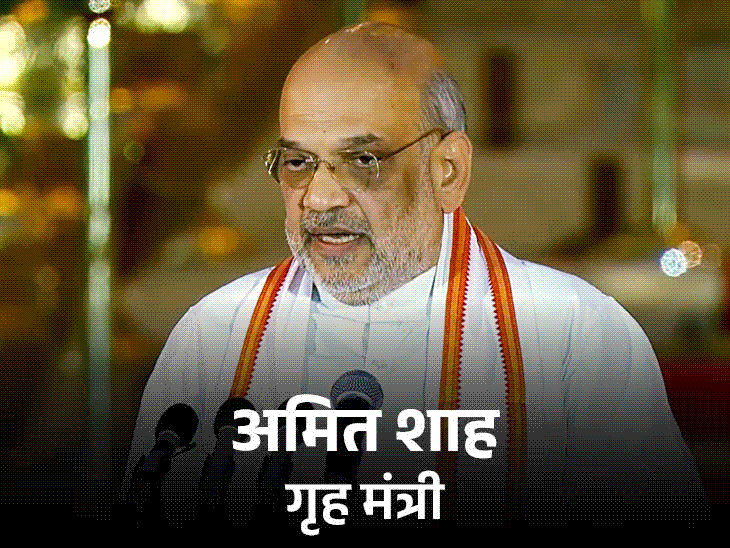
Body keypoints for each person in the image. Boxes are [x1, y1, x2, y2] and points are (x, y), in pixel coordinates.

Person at [123, 22, 707, 530]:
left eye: (363, 160)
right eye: (298, 162)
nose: (319, 198)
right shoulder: (215, 335)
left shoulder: (575, 337)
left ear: (447, 171)